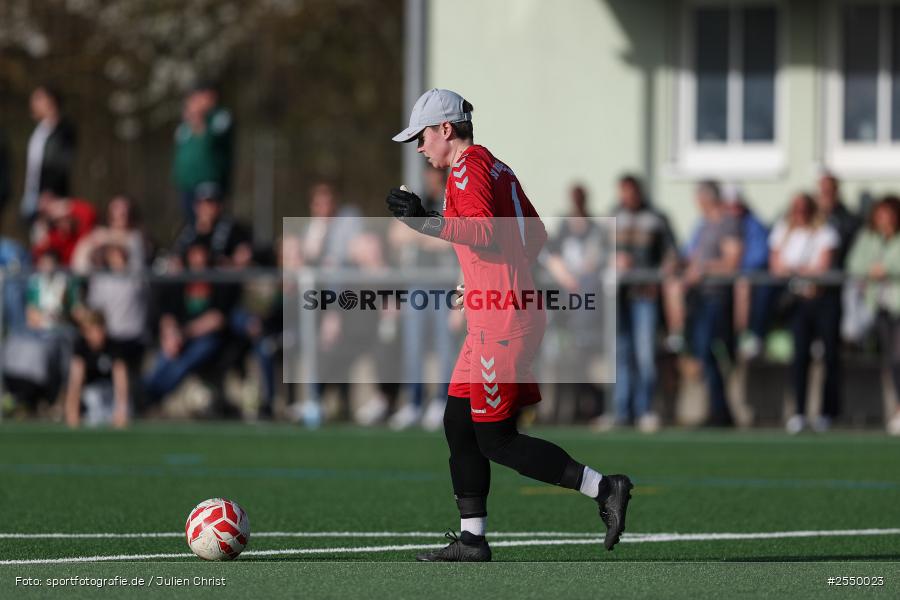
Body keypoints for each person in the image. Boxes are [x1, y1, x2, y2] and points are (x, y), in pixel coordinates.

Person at [386, 88, 633, 561]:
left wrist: (425, 222)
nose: (419, 148)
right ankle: (473, 540)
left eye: (421, 137)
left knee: (496, 439)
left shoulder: (467, 167)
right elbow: (533, 235)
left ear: (445, 130)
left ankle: (605, 487)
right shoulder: (491, 165)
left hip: (504, 320)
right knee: (458, 422)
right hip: (496, 312)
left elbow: (483, 231)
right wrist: (479, 278)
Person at [606, 175, 678, 431]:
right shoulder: (612, 215)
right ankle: (620, 411)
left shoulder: (657, 218)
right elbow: (601, 251)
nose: (627, 197)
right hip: (619, 295)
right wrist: (614, 259)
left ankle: (645, 409)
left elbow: (671, 255)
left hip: (645, 295)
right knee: (620, 354)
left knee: (645, 353)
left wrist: (658, 273)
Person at [769, 193, 840, 434]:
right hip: (798, 302)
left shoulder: (825, 232)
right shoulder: (784, 231)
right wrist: (801, 272)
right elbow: (777, 266)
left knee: (829, 355)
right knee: (799, 357)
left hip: (823, 301)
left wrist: (798, 271)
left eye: (804, 209)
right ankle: (799, 411)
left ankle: (826, 412)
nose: (800, 213)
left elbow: (822, 267)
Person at [679, 181, 744, 426]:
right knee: (703, 354)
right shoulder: (704, 225)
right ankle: (718, 409)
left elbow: (732, 262)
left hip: (717, 296)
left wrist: (702, 269)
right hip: (700, 297)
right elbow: (693, 257)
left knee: (710, 351)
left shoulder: (727, 223)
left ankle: (721, 411)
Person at [846, 196, 900, 435]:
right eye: (881, 214)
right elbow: (855, 264)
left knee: (899, 359)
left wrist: (885, 269)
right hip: (880, 306)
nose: (884, 219)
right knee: (891, 360)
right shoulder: (870, 238)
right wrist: (872, 270)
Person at [172, 83, 234, 224]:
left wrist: (197, 117)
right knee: (191, 223)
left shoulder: (220, 117)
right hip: (187, 184)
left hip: (209, 181)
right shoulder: (185, 126)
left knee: (210, 223)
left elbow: (208, 139)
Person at [20, 85, 77, 222]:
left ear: (50, 101)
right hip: (33, 197)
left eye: (37, 99)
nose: (32, 104)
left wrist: (49, 191)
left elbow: (61, 163)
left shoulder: (64, 131)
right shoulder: (39, 131)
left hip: (51, 199)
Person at [64, 309, 129, 428]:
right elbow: (75, 381)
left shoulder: (114, 347)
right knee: (93, 398)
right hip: (92, 394)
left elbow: (120, 379)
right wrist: (72, 411)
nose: (90, 335)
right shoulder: (81, 348)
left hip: (111, 393)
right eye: (87, 330)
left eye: (94, 330)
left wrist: (121, 409)